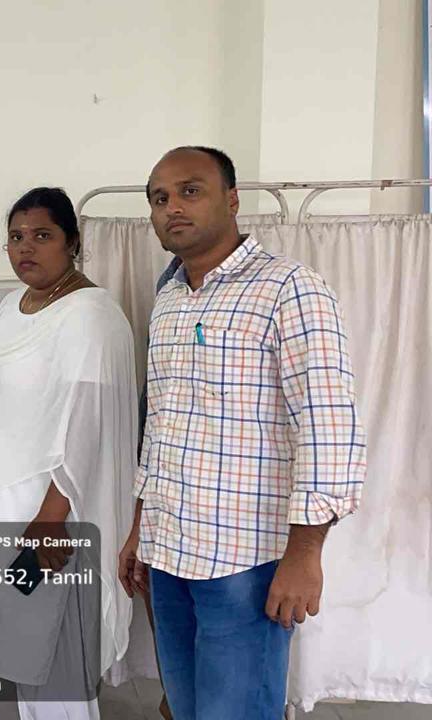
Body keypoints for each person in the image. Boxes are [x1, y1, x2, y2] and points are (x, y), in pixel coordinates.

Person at [118, 146, 367, 719]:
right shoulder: (170, 299)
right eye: (159, 198)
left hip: (245, 562)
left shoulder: (289, 288)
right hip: (170, 553)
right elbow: (161, 427)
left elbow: (328, 426)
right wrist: (140, 530)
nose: (171, 207)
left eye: (190, 190)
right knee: (185, 708)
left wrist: (305, 555)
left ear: (232, 200)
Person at [0, 187, 138, 720]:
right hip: (2, 505)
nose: (26, 247)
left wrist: (49, 519)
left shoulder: (91, 315)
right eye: (16, 237)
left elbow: (87, 427)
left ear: (72, 243)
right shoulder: (8, 310)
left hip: (54, 514)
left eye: (42, 235)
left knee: (58, 656)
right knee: (22, 649)